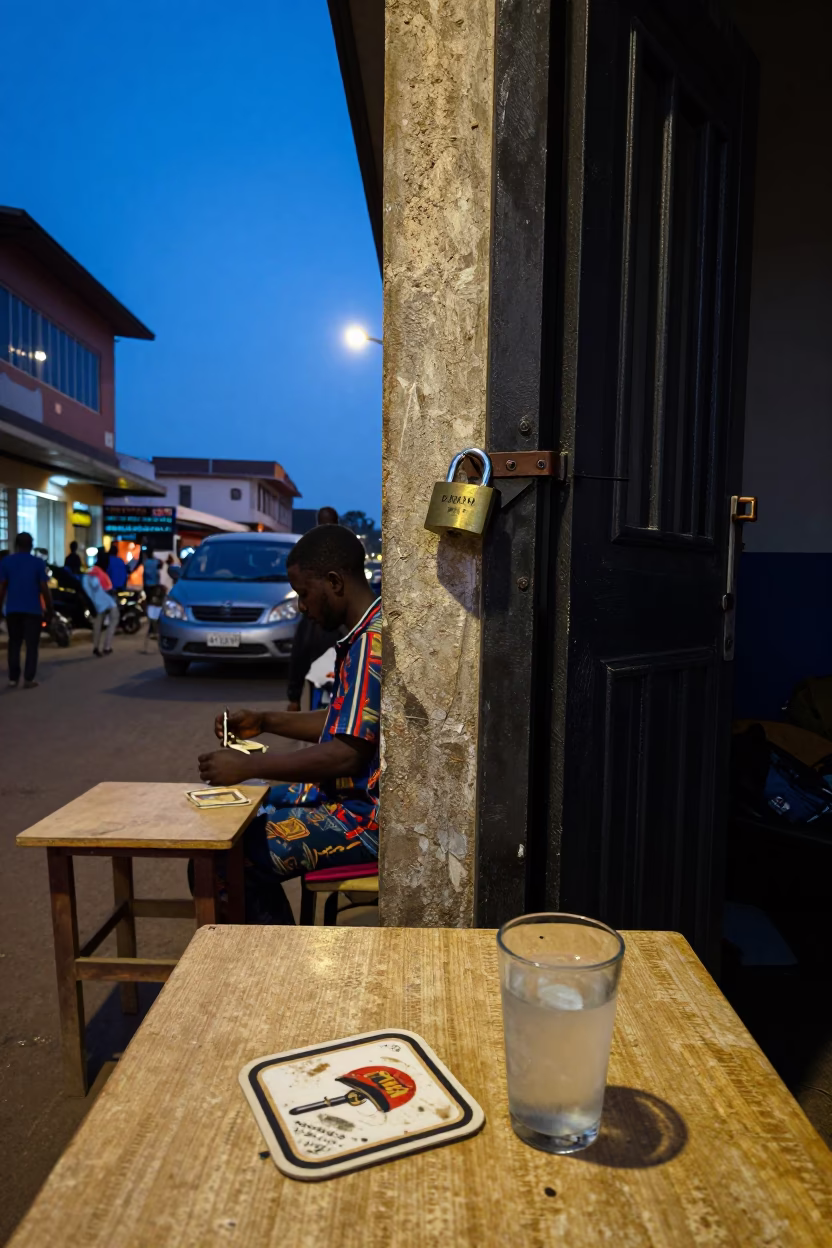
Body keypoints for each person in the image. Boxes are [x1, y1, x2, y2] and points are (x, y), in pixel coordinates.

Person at [198, 524, 380, 923]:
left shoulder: (371, 643)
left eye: (303, 594)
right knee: (247, 810)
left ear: (334, 582)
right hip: (348, 799)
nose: (301, 606)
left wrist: (248, 766)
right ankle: (279, 947)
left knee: (220, 862)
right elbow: (344, 723)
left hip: (365, 818)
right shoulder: (367, 631)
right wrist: (265, 721)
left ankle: (279, 964)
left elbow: (346, 755)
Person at [286, 506, 341, 711]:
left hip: (336, 624)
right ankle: (295, 698)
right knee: (302, 646)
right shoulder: (308, 550)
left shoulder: (343, 549)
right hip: (321, 625)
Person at [0, 532, 53, 688]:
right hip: (33, 611)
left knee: (14, 644)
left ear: (16, 545)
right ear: (31, 546)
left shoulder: (6, 562)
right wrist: (50, 608)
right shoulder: (38, 563)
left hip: (13, 610)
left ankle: (13, 678)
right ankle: (28, 679)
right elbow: (44, 587)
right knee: (31, 645)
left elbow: (2, 587)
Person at [85, 549, 118, 656]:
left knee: (98, 624)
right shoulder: (101, 574)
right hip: (104, 602)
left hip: (94, 603)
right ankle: (107, 646)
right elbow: (106, 589)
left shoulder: (92, 571)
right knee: (114, 618)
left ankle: (96, 646)